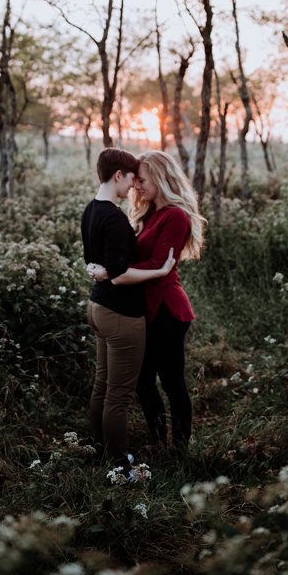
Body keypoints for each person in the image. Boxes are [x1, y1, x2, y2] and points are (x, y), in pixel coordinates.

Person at [89, 150, 205, 451]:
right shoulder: (150, 212)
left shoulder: (176, 216)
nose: (137, 186)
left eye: (142, 180)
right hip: (144, 311)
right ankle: (157, 441)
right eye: (135, 180)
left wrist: (112, 271)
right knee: (142, 382)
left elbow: (157, 265)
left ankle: (179, 448)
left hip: (167, 311)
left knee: (172, 383)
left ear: (160, 178)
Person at [80, 148, 176, 479]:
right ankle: (119, 463)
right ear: (117, 175)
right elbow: (120, 274)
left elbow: (95, 264)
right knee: (118, 394)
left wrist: (104, 271)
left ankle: (96, 449)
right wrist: (159, 270)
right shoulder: (115, 218)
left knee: (102, 385)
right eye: (131, 179)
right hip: (121, 314)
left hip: (97, 307)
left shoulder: (90, 210)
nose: (133, 186)